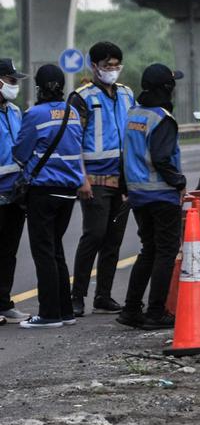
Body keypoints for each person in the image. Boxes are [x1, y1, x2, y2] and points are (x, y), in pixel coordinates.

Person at [14, 65, 85, 328]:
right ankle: (65, 312)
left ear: (39, 87)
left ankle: (49, 314)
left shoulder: (34, 114)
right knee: (56, 251)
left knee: (43, 252)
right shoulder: (73, 112)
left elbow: (21, 152)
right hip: (68, 193)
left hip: (43, 191)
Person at [119, 63, 187, 330]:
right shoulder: (162, 118)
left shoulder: (134, 114)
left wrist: (126, 186)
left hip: (138, 194)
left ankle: (131, 309)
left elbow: (124, 154)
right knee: (166, 252)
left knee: (149, 250)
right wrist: (179, 181)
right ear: (167, 88)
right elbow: (161, 157)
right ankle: (156, 312)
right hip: (161, 194)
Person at [69, 42, 133, 317]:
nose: (112, 70)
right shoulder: (82, 97)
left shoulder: (127, 94)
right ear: (94, 67)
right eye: (107, 65)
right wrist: (81, 178)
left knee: (113, 240)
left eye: (116, 65)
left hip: (123, 179)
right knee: (94, 235)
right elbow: (72, 142)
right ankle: (77, 295)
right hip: (94, 178)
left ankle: (103, 295)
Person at [0, 59, 30, 324]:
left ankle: (3, 303)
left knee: (8, 251)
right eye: (10, 81)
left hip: (14, 192)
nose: (14, 86)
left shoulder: (15, 111)